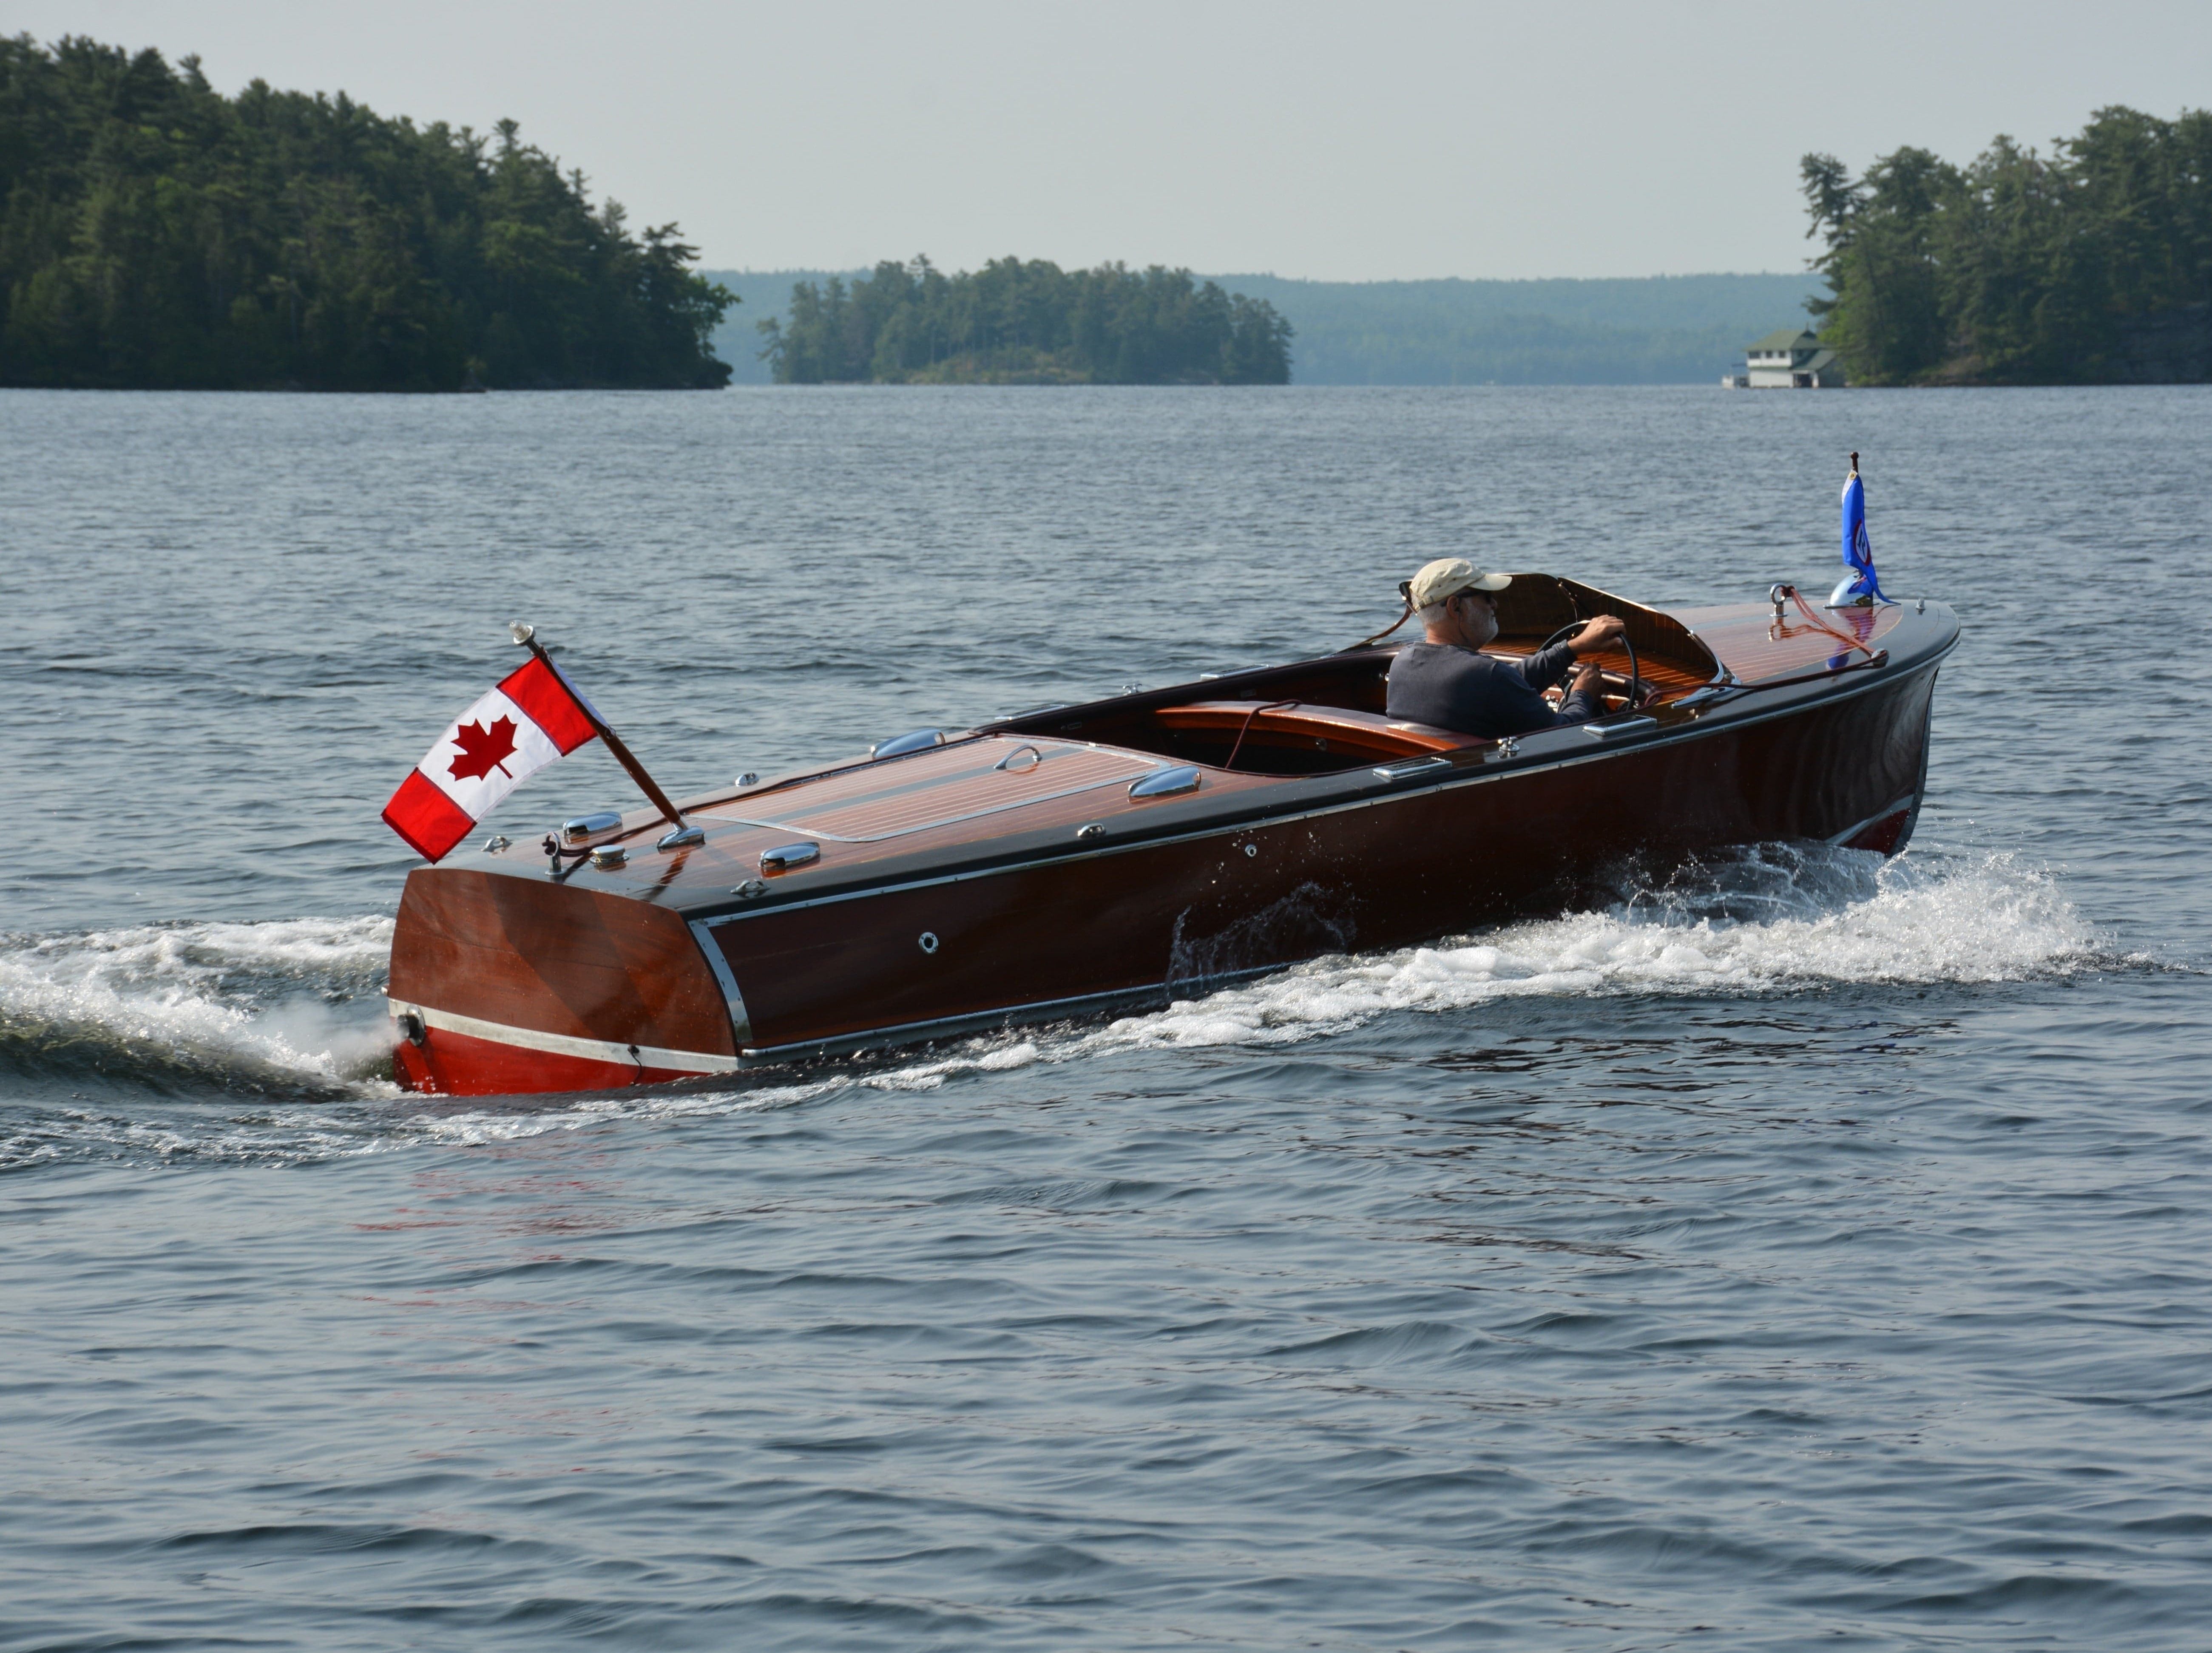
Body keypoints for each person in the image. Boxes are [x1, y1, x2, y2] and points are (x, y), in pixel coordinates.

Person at [1384, 558, 1629, 737]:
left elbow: (1506, 682)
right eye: (1486, 597)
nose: (1495, 604)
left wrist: (1573, 648)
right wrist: (1583, 694)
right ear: (1455, 606)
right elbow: (1560, 733)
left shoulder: (1404, 663)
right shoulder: (1484, 676)